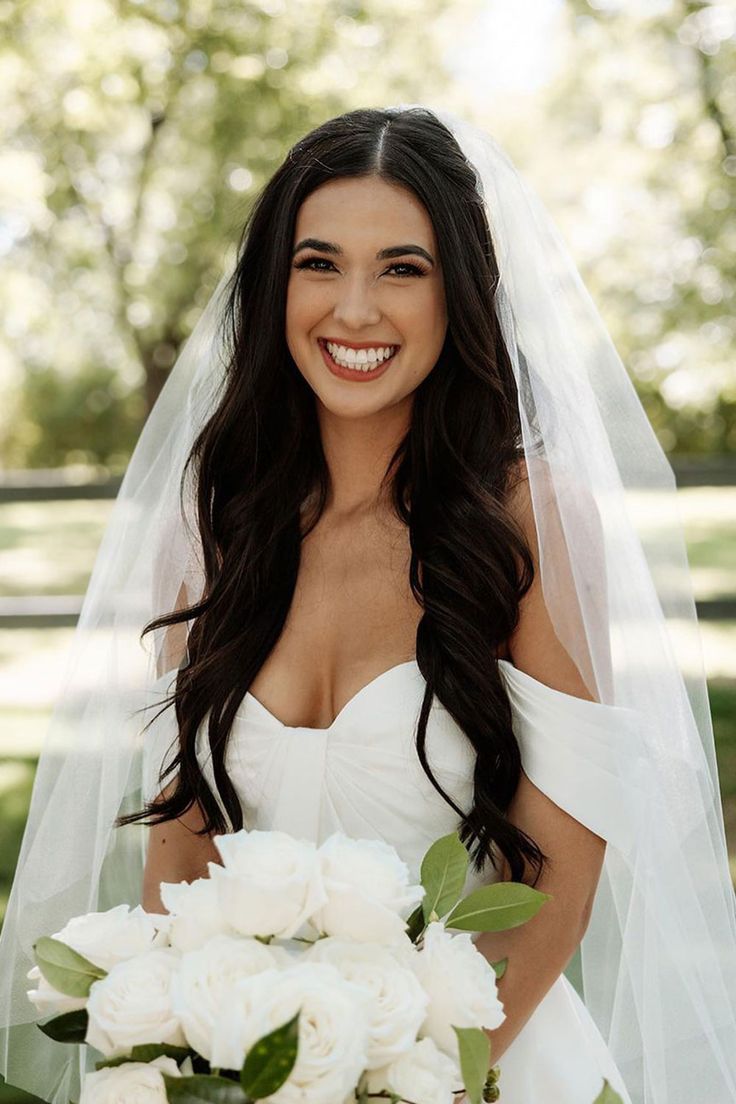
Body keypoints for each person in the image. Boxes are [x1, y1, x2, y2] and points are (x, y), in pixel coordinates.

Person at [1, 104, 735, 1104]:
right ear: (273, 286)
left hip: (485, 1064)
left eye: (402, 268)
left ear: (461, 294)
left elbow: (558, 884)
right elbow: (180, 861)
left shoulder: (527, 519)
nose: (354, 309)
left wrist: (402, 1085)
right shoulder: (212, 524)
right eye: (317, 263)